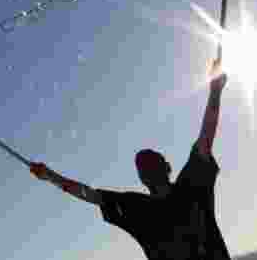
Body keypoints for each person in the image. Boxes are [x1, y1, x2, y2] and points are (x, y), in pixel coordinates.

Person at [29, 56, 231, 259]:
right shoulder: (151, 202)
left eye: (148, 165)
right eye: (146, 167)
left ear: (147, 176)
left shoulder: (142, 206)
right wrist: (215, 91)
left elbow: (87, 194)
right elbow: (206, 137)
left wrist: (50, 176)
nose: (148, 169)